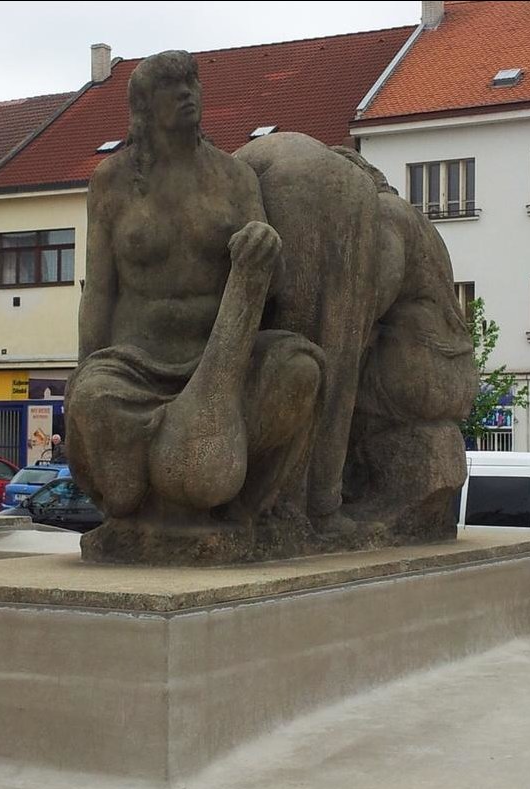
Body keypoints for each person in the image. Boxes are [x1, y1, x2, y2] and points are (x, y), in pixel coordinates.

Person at [65, 51, 325, 558]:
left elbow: (274, 285)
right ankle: (144, 504)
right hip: (135, 364)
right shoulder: (112, 182)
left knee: (301, 370)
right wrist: (83, 371)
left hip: (224, 358)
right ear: (143, 106)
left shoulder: (234, 177)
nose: (187, 93)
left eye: (191, 82)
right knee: (94, 400)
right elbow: (99, 292)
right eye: (171, 85)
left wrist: (265, 249)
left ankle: (245, 507)